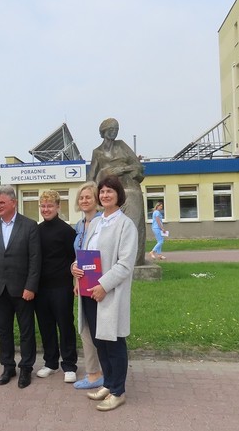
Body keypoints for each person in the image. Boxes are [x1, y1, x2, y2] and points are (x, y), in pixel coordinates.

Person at [71, 175, 137, 411]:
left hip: (109, 293)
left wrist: (103, 285)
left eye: (110, 191)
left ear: (119, 195)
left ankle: (118, 392)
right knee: (100, 341)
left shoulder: (125, 225)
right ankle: (108, 383)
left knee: (114, 342)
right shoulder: (97, 222)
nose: (105, 195)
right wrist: (75, 267)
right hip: (90, 292)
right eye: (102, 191)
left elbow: (125, 264)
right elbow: (85, 253)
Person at [0, 184, 41, 389]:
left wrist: (31, 286)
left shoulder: (29, 226)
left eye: (2, 202)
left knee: (26, 330)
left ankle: (26, 368)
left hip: (23, 289)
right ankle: (8, 367)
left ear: (13, 203)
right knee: (3, 330)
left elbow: (35, 260)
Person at [89, 117, 147, 266]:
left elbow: (138, 167)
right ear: (103, 132)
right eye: (111, 129)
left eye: (116, 129)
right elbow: (91, 178)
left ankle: (135, 260)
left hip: (130, 189)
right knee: (111, 229)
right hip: (109, 194)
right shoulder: (97, 152)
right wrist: (106, 173)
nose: (114, 132)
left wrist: (124, 169)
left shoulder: (122, 145)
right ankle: (113, 261)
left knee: (133, 224)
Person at [34, 190, 78, 383]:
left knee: (65, 325)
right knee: (46, 326)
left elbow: (74, 259)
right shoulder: (36, 230)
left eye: (50, 206)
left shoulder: (67, 231)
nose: (46, 209)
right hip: (41, 288)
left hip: (61, 287)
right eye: (43, 206)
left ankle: (69, 365)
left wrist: (74, 282)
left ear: (58, 207)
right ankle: (50, 362)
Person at [71, 181, 104, 390]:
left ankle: (104, 372)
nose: (84, 200)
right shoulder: (79, 224)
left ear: (96, 199)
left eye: (88, 197)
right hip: (83, 283)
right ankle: (93, 373)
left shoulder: (103, 223)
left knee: (101, 329)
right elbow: (78, 255)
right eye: (81, 197)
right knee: (85, 328)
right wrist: (74, 273)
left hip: (100, 285)